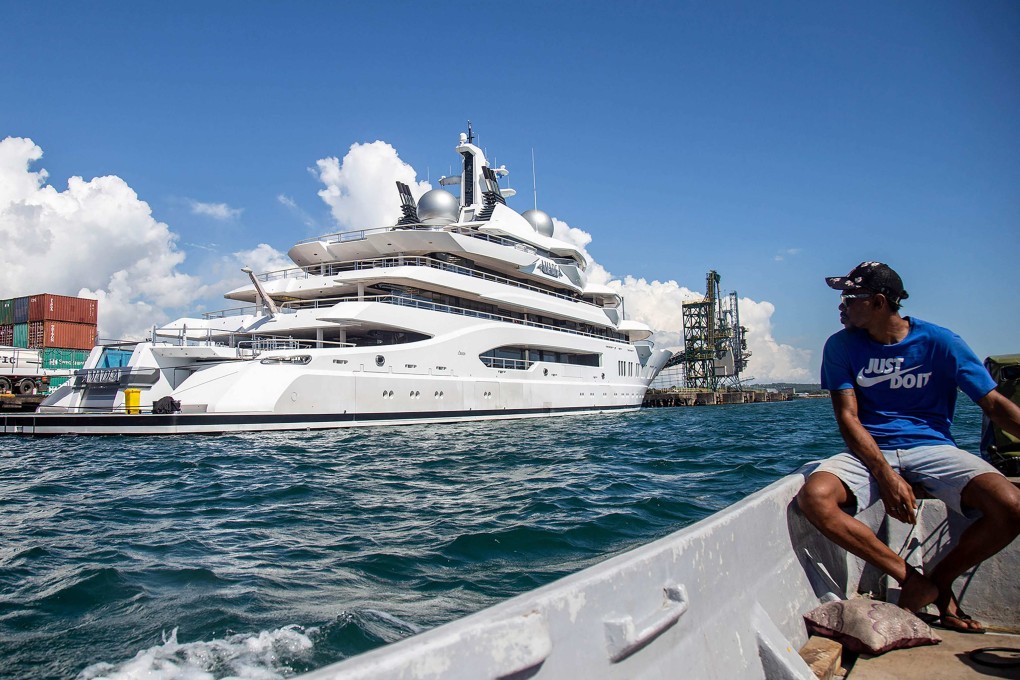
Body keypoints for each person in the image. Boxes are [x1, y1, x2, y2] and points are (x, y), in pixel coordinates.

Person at [797, 261, 1020, 633]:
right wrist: (885, 475)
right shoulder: (840, 346)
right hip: (870, 449)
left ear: (880, 302)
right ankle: (912, 579)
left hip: (933, 447)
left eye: (851, 297)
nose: (841, 306)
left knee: (1010, 506)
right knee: (814, 497)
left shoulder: (940, 342)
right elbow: (849, 419)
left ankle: (940, 580)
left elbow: (994, 405)